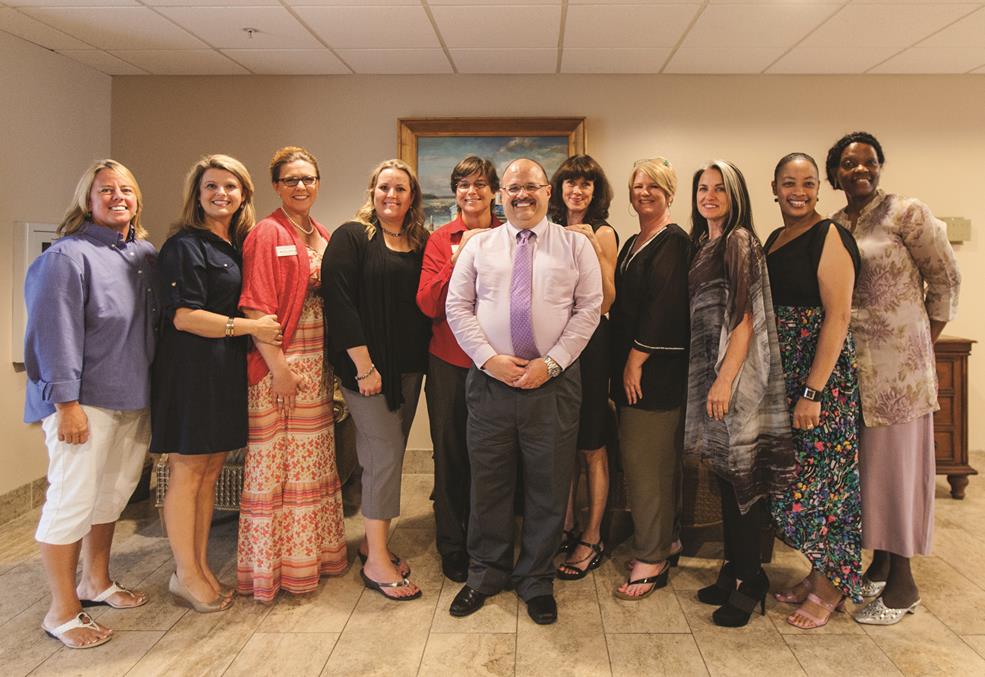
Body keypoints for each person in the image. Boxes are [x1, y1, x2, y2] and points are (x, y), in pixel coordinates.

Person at [445, 158, 602, 625]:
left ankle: (536, 579)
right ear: (501, 195)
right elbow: (458, 306)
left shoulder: (575, 246)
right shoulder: (479, 245)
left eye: (531, 186)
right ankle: (485, 574)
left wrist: (550, 364)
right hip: (490, 382)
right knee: (488, 483)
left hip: (554, 383)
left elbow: (589, 309)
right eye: (513, 188)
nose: (521, 195)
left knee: (548, 487)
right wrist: (487, 358)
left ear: (548, 192)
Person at [824, 132, 960, 625]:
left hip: (898, 376)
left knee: (897, 476)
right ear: (834, 173)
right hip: (854, 372)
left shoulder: (907, 214)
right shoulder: (837, 223)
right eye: (848, 163)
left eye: (869, 162)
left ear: (880, 166)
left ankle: (903, 586)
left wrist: (919, 340)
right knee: (872, 476)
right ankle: (879, 566)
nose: (860, 170)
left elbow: (945, 279)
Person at [25, 160, 158, 649]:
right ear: (87, 199)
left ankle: (95, 582)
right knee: (71, 501)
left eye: (126, 189)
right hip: (83, 403)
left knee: (112, 495)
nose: (118, 196)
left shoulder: (143, 255)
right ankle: (61, 611)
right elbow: (52, 335)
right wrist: (67, 404)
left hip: (132, 396)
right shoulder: (66, 257)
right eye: (106, 190)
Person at [151, 154, 281, 613]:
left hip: (223, 371)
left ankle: (200, 566)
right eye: (211, 186)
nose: (221, 194)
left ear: (244, 194)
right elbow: (184, 317)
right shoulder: (184, 246)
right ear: (197, 194)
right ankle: (185, 574)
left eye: (230, 186)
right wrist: (250, 328)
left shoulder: (234, 245)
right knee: (187, 472)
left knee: (209, 473)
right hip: (189, 373)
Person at [683, 160, 795, 628]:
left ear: (736, 196)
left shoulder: (738, 240)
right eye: (703, 188)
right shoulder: (706, 243)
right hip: (715, 371)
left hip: (737, 378)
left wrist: (725, 380)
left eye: (719, 189)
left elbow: (745, 317)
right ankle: (733, 568)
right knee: (728, 479)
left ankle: (752, 579)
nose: (709, 196)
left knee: (743, 480)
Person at [237, 146, 348, 602]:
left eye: (308, 178)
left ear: (318, 183)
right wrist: (279, 369)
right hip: (279, 365)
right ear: (276, 186)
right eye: (291, 180)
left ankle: (311, 558)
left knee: (311, 464)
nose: (301, 186)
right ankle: (273, 569)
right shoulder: (267, 232)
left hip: (316, 363)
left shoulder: (319, 232)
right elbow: (255, 306)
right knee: (276, 470)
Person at [321, 159, 431, 601]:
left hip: (409, 369)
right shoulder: (352, 237)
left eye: (400, 188)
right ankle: (376, 562)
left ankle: (373, 541)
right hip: (366, 369)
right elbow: (339, 302)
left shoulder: (419, 241)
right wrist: (364, 366)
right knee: (384, 455)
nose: (391, 195)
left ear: (412, 197)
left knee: (384, 455)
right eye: (384, 186)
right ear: (372, 191)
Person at [764, 152, 863, 629]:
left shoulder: (830, 236)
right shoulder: (775, 238)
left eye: (807, 183)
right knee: (800, 483)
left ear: (819, 188)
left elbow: (837, 317)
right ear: (774, 188)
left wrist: (813, 391)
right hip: (785, 380)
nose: (798, 192)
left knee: (829, 486)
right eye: (789, 182)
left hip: (821, 383)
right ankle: (817, 573)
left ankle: (831, 588)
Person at [416, 156, 501, 583]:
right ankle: (452, 544)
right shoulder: (439, 239)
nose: (472, 191)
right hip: (449, 363)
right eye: (464, 185)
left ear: (494, 191)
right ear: (455, 192)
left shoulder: (510, 234)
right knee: (450, 456)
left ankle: (489, 542)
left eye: (481, 184)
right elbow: (428, 303)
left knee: (494, 458)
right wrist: (460, 254)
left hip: (498, 365)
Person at [609, 158, 690, 600]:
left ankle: (651, 556)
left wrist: (635, 361)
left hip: (653, 374)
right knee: (649, 461)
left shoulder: (673, 243)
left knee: (647, 466)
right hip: (629, 368)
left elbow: (666, 309)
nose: (644, 192)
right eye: (638, 185)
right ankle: (666, 539)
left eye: (654, 186)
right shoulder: (632, 242)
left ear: (669, 193)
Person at [547, 155, 619, 581]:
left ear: (595, 191)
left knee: (592, 442)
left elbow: (607, 299)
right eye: (571, 182)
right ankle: (565, 524)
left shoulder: (603, 232)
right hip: (556, 345)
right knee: (563, 441)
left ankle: (592, 538)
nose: (577, 190)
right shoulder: (550, 229)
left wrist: (592, 246)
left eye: (586, 184)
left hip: (592, 345)